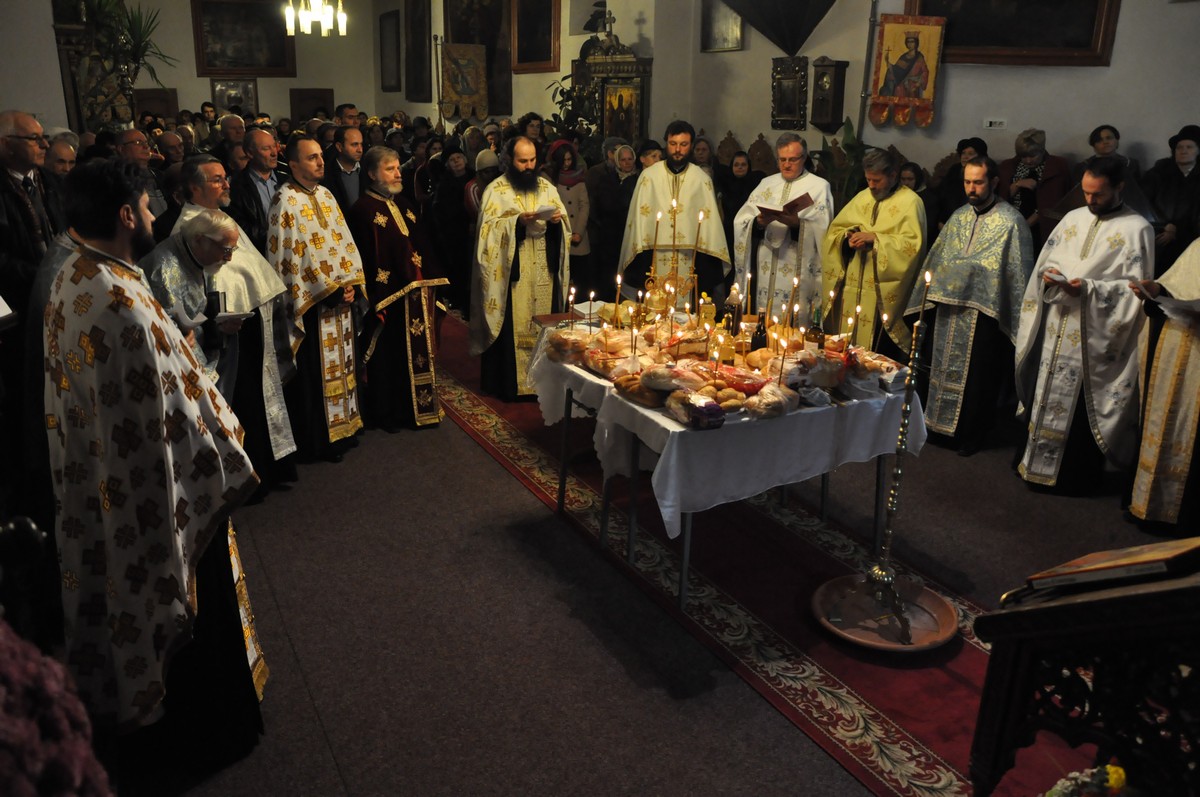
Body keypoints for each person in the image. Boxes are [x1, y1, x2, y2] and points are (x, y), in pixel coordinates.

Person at [43, 159, 266, 783]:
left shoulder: (74, 273)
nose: (149, 217)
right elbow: (173, 407)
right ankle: (203, 733)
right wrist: (226, 438)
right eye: (143, 208)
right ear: (123, 214)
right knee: (186, 604)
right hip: (157, 491)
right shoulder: (119, 297)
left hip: (104, 479)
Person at [1014, 157, 1154, 493]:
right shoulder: (1072, 219)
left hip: (1093, 340)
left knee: (1077, 407)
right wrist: (1050, 280)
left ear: (1120, 187)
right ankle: (1033, 464)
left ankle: (1071, 477)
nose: (1090, 200)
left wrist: (1087, 288)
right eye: (1086, 192)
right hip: (1056, 324)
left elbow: (1137, 292)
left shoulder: (1138, 229)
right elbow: (1043, 267)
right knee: (1045, 391)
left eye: (1099, 194)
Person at [907, 157, 1035, 456]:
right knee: (938, 368)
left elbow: (1016, 276)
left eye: (978, 182)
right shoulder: (959, 217)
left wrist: (969, 273)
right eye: (967, 182)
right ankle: (936, 427)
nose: (971, 189)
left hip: (985, 315)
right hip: (948, 310)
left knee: (979, 377)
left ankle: (971, 434)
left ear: (994, 182)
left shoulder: (1012, 222)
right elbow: (937, 259)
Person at [266, 135, 367, 462]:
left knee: (346, 363)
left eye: (320, 157)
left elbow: (343, 245)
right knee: (315, 373)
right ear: (292, 164)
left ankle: (348, 425)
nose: (320, 162)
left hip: (341, 300)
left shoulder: (326, 195)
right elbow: (288, 261)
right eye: (311, 158)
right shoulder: (284, 202)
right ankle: (322, 440)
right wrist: (328, 290)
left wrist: (351, 283)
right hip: (312, 305)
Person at [347, 146, 449, 430]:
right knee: (389, 356)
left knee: (418, 353)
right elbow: (368, 257)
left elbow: (420, 245)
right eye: (389, 168)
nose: (397, 173)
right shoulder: (362, 211)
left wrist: (426, 278)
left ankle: (421, 408)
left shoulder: (404, 203)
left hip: (416, 293)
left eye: (397, 167)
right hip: (388, 297)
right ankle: (389, 412)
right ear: (371, 174)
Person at [0, 109, 67, 527]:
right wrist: (41, 273)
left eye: (43, 139)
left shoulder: (47, 183)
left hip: (57, 298)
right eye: (34, 139)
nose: (43, 146)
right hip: (19, 308)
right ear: (5, 143)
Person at [469, 136, 569, 400]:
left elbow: (563, 232)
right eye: (522, 160)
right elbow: (486, 237)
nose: (528, 166)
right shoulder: (495, 191)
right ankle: (509, 384)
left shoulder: (547, 188)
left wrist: (557, 223)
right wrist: (516, 224)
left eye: (533, 160)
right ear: (509, 160)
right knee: (512, 323)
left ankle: (545, 382)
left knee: (545, 321)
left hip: (543, 270)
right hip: (512, 274)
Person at [821, 148, 926, 361]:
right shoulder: (862, 197)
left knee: (877, 357)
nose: (871, 185)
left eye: (877, 180)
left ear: (893, 176)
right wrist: (848, 237)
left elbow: (912, 248)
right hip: (852, 286)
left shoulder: (911, 202)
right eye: (868, 179)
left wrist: (876, 240)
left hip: (882, 296)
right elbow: (835, 231)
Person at [1128, 238, 1200, 530]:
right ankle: (1147, 503)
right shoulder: (1198, 245)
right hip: (1176, 341)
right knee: (1161, 422)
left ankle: (1183, 515)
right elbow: (1177, 283)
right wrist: (1155, 288)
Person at [618, 120, 731, 306]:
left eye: (683, 144)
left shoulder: (701, 179)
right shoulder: (649, 177)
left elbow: (711, 229)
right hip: (653, 255)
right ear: (666, 143)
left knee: (689, 311)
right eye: (673, 144)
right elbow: (637, 223)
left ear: (691, 146)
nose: (677, 149)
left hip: (691, 258)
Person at [732, 133, 833, 324]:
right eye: (782, 159)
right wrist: (758, 223)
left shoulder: (819, 186)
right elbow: (741, 221)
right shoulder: (766, 184)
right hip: (765, 261)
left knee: (791, 323)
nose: (787, 165)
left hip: (795, 260)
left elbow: (824, 231)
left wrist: (798, 224)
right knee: (762, 314)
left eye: (793, 160)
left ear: (804, 158)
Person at [1140, 124, 1200, 277]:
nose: (1183, 151)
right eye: (1179, 147)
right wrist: (1166, 226)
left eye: (1189, 147)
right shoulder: (1159, 173)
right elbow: (1144, 203)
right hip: (1161, 235)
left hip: (1194, 238)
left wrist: (1178, 229)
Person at [997, 128, 1070, 251]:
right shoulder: (1008, 167)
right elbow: (1000, 198)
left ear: (1042, 150)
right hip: (1011, 223)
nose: (1028, 160)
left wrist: (1028, 223)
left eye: (1033, 156)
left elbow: (1058, 200)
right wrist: (1017, 184)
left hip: (1043, 226)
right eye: (1023, 156)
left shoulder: (1056, 166)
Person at [228, 126, 284, 255]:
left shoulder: (287, 179)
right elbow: (240, 228)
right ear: (250, 153)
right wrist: (275, 239)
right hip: (259, 254)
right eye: (266, 148)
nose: (274, 153)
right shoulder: (236, 186)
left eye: (274, 146)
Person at [547, 139, 591, 292]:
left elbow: (584, 206)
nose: (566, 163)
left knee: (580, 281)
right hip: (558, 233)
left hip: (577, 237)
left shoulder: (579, 178)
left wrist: (578, 231)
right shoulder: (549, 179)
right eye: (563, 160)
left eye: (569, 159)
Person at [320, 125, 365, 216]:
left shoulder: (368, 170)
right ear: (339, 147)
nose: (360, 150)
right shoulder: (326, 174)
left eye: (361, 144)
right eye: (354, 144)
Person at [899, 161, 941, 244]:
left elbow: (929, 227)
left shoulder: (929, 198)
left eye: (910, 179)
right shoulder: (897, 195)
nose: (906, 183)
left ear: (917, 179)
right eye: (903, 179)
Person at [879, 31, 929, 98]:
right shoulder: (904, 57)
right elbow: (897, 70)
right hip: (901, 84)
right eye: (908, 42)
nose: (910, 44)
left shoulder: (919, 57)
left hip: (913, 85)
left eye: (912, 42)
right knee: (898, 90)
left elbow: (925, 71)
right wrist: (887, 62)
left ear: (916, 43)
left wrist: (918, 83)